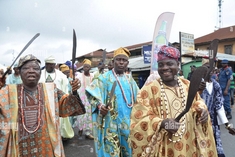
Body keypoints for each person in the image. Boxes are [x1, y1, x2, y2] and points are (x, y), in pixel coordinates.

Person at [130, 45, 217, 157]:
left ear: (178, 65)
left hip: (189, 145)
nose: (165, 68)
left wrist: (202, 111)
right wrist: (161, 123)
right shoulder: (148, 90)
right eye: (161, 65)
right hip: (164, 148)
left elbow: (197, 102)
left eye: (169, 64)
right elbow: (138, 119)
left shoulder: (187, 85)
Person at [0, 54, 85, 157]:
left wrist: (74, 92)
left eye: (35, 68)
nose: (31, 71)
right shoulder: (7, 92)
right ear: (19, 71)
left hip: (46, 145)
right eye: (26, 68)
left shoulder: (51, 90)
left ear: (40, 72)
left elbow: (65, 105)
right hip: (18, 146)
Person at [86, 47, 139, 156]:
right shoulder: (103, 78)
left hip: (127, 123)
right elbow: (92, 94)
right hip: (110, 124)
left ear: (127, 63)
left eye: (124, 60)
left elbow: (139, 99)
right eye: (118, 59)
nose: (121, 62)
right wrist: (100, 106)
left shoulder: (130, 80)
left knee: (128, 151)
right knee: (111, 152)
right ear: (113, 62)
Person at [199, 58, 235, 157]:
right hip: (198, 122)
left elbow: (219, 106)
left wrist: (227, 125)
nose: (208, 70)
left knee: (215, 146)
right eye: (205, 67)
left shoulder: (216, 85)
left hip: (213, 122)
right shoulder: (196, 85)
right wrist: (198, 90)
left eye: (210, 68)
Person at [39, 56, 75, 139]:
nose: (50, 66)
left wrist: (65, 101)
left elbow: (65, 88)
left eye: (52, 64)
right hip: (44, 102)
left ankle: (58, 137)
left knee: (58, 121)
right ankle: (47, 137)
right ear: (45, 64)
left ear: (55, 65)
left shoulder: (60, 75)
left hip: (57, 102)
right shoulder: (40, 74)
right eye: (48, 64)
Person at [74, 59, 94, 140]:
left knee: (90, 115)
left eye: (87, 67)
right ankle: (80, 129)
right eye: (85, 66)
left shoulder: (93, 76)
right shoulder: (78, 76)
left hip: (90, 99)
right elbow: (76, 86)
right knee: (81, 115)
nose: (86, 68)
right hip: (81, 98)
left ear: (90, 68)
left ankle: (88, 132)